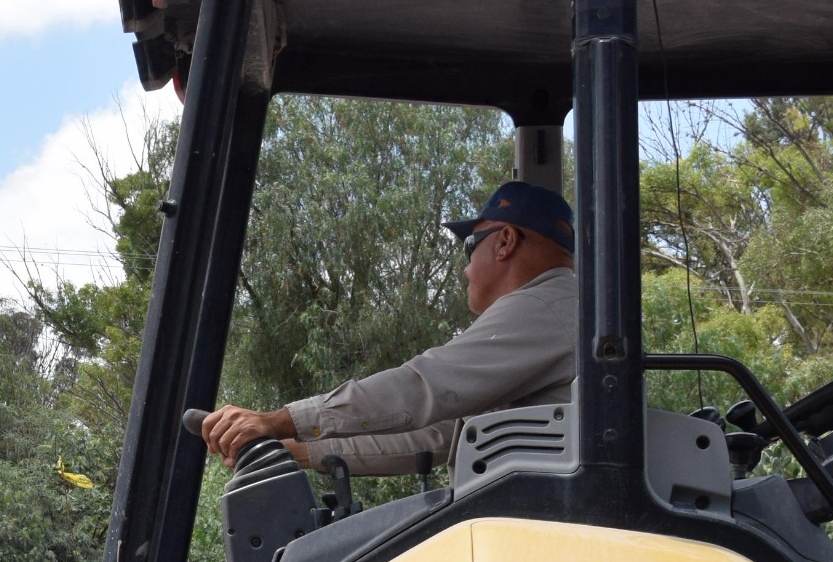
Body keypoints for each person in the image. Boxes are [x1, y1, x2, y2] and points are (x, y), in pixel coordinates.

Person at [198, 180, 579, 475]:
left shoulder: (545, 306)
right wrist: (298, 451)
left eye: (469, 246)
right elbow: (440, 436)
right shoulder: (556, 314)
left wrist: (278, 421)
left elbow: (421, 386)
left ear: (505, 242)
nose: (465, 269)